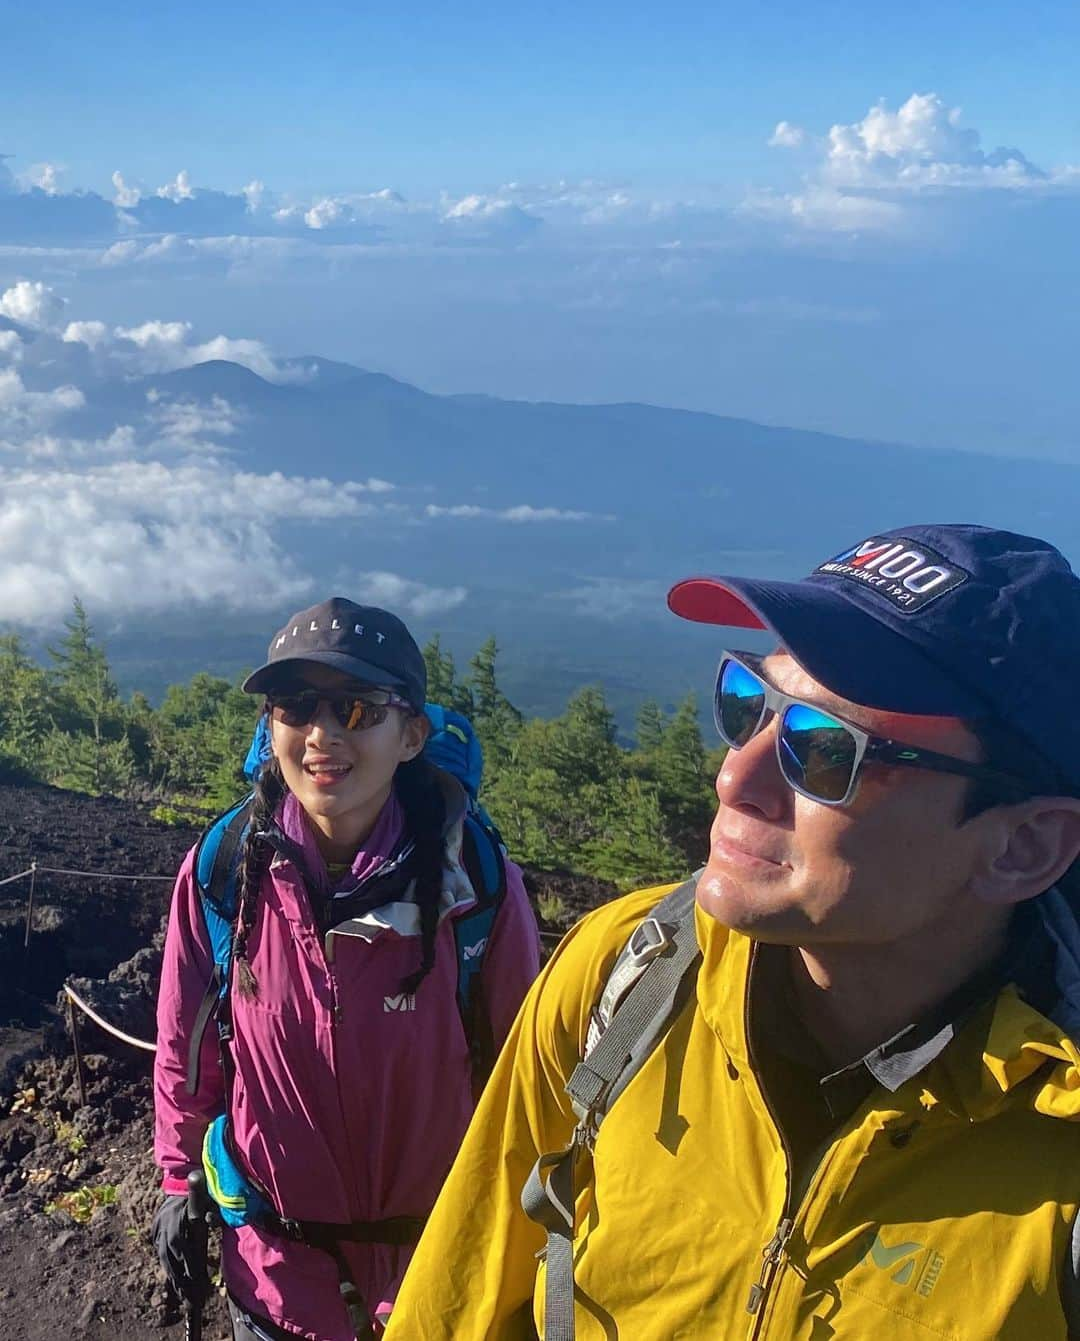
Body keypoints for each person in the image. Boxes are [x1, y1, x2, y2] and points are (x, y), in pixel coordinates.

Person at [385, 524, 1080, 1340]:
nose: (733, 774)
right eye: (748, 703)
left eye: (823, 749)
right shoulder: (628, 973)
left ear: (1022, 846)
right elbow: (454, 1307)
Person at [152, 597, 540, 1341]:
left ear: (412, 735)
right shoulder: (224, 873)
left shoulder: (477, 891)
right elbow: (185, 1047)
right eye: (296, 706)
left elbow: (525, 1078)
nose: (322, 734)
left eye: (358, 709)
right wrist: (178, 1178)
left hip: (438, 1277)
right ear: (270, 727)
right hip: (275, 1278)